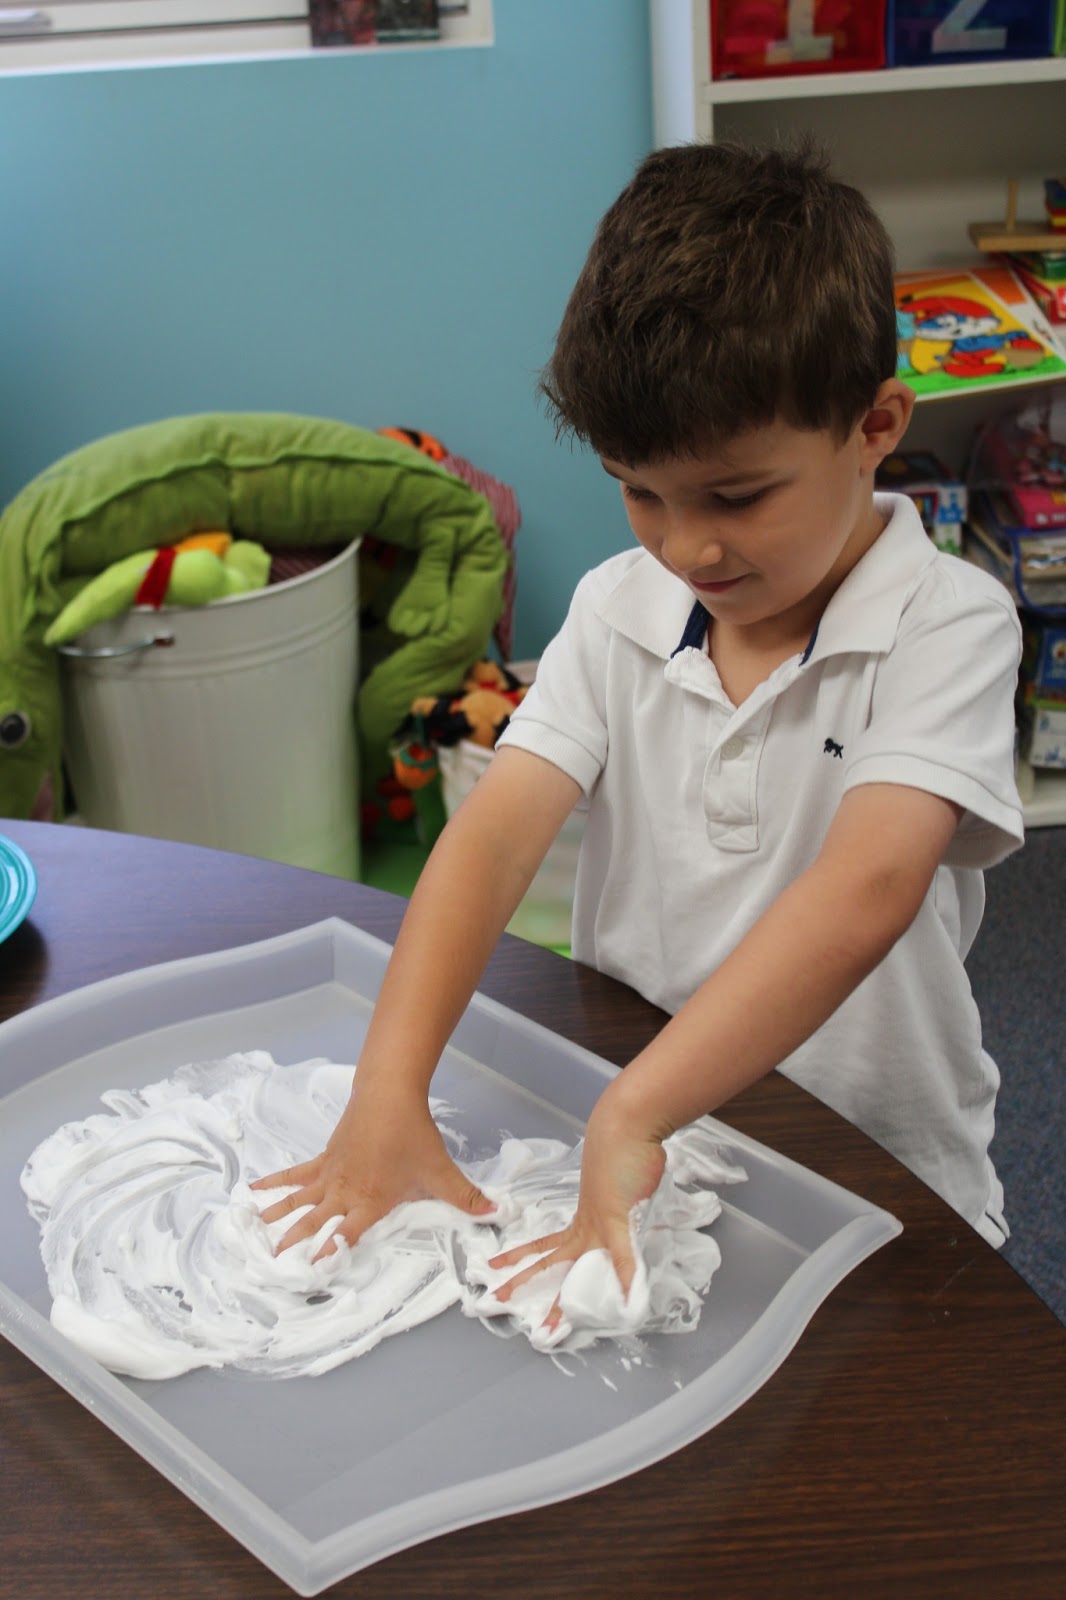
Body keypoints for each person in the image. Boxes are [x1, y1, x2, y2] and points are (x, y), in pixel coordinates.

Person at [254, 141, 1023, 1327]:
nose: (685, 546)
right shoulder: (619, 608)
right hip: (654, 1143)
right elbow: (493, 839)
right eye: (639, 491)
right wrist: (387, 1088)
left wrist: (632, 1109)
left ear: (874, 424)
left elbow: (866, 887)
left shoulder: (949, 624)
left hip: (879, 1161)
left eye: (737, 496)